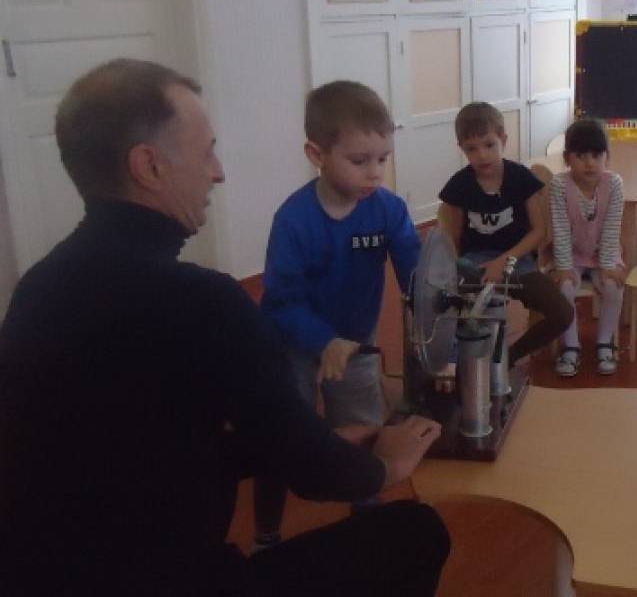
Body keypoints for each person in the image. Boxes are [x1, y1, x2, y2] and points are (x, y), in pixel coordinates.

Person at [0, 59, 448, 597]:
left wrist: (292, 444)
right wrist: (383, 469)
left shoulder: (39, 287)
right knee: (418, 532)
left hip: (39, 573)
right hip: (168, 581)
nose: (219, 172)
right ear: (149, 166)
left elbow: (146, 453)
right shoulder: (202, 302)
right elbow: (315, 475)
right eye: (206, 151)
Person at [252, 80, 422, 552]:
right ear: (317, 154)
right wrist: (323, 341)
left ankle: (367, 516)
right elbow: (282, 300)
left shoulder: (389, 211)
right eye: (360, 160)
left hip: (356, 341)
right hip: (293, 344)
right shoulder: (294, 220)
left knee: (365, 430)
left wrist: (438, 297)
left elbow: (417, 274)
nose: (375, 173)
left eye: (383, 158)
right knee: (283, 435)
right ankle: (266, 533)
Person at [438, 102, 573, 368]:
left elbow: (538, 231)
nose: (482, 155)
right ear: (461, 149)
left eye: (489, 144)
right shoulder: (459, 185)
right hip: (475, 265)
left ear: (503, 140)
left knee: (562, 313)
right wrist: (455, 276)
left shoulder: (521, 178)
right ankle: (466, 364)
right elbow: (454, 239)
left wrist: (503, 261)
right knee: (446, 310)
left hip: (517, 261)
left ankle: (507, 359)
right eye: (472, 149)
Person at [549, 119, 627, 376]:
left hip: (604, 254)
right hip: (570, 256)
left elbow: (612, 227)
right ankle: (571, 346)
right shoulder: (559, 185)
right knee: (564, 289)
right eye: (580, 156)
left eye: (596, 155)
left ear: (607, 157)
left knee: (613, 287)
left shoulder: (614, 184)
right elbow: (560, 229)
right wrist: (563, 267)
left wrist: (607, 265)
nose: (589, 163)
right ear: (567, 158)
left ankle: (605, 342)